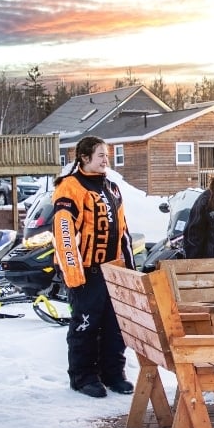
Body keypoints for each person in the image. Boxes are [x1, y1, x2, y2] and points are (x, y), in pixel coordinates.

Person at [52, 136, 136, 398]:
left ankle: (113, 373)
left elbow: (123, 231)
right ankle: (83, 376)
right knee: (85, 326)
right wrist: (75, 276)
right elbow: (64, 233)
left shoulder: (112, 188)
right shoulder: (70, 187)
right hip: (86, 272)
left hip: (113, 271)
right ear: (84, 158)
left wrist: (130, 270)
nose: (105, 160)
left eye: (107, 155)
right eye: (100, 155)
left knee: (115, 326)